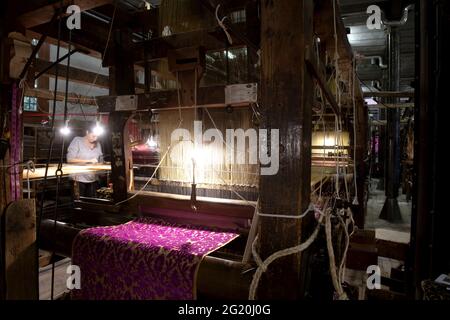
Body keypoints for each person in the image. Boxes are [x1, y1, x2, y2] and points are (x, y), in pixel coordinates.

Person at [67, 122, 103, 198]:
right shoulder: (77, 141)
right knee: (78, 203)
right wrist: (88, 161)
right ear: (87, 132)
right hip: (78, 178)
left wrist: (101, 166)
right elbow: (70, 159)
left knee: (91, 202)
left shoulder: (98, 144)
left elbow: (100, 159)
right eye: (93, 136)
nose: (95, 138)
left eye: (97, 136)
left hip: (92, 179)